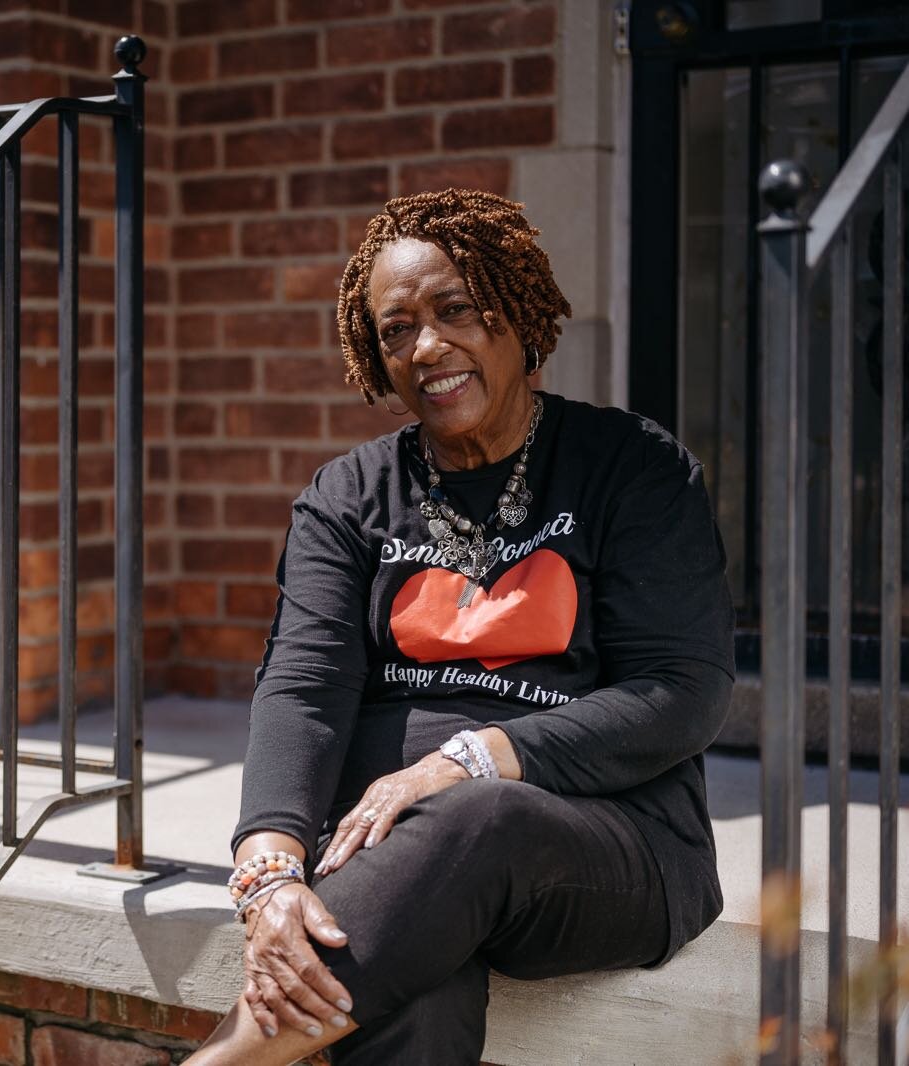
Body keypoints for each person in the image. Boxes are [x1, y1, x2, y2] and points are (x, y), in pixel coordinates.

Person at [187, 189, 735, 1065]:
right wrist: (270, 863)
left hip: (602, 846)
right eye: (396, 329)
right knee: (414, 966)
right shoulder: (347, 496)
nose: (427, 347)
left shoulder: (631, 470)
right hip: (393, 857)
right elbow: (303, 686)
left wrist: (461, 761)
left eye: (454, 311)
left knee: (473, 820)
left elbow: (681, 693)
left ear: (515, 312)